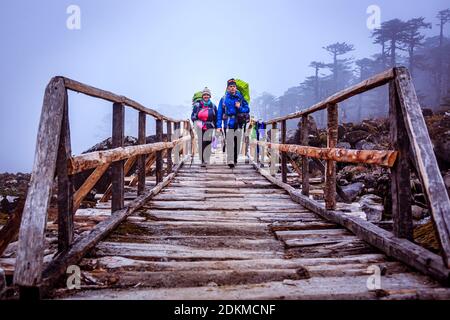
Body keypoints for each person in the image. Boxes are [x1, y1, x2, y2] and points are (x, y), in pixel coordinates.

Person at [216, 79, 250, 168]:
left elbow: (247, 109)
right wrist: (218, 126)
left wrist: (240, 107)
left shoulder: (241, 98)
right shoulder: (223, 99)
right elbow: (219, 113)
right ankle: (230, 159)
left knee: (237, 142)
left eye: (234, 86)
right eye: (230, 86)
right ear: (227, 88)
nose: (232, 88)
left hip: (238, 123)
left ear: (236, 88)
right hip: (228, 123)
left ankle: (234, 159)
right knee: (230, 142)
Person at [191, 87, 217, 167]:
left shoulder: (213, 106)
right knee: (202, 142)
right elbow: (193, 116)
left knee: (208, 142)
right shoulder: (197, 106)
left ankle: (207, 158)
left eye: (207, 95)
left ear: (210, 96)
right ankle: (203, 160)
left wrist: (217, 127)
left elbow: (216, 117)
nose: (206, 96)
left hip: (210, 126)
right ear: (202, 96)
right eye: (204, 95)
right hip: (200, 126)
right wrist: (197, 122)